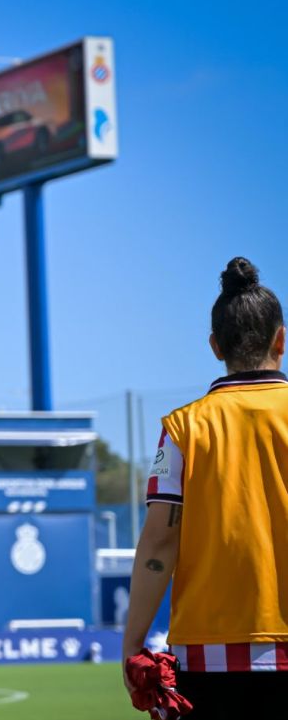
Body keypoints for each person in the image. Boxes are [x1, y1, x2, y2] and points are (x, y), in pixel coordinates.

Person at [123, 257, 287, 718]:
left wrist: (133, 645)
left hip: (208, 660)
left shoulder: (182, 429)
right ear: (282, 339)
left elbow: (159, 542)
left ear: (215, 346)